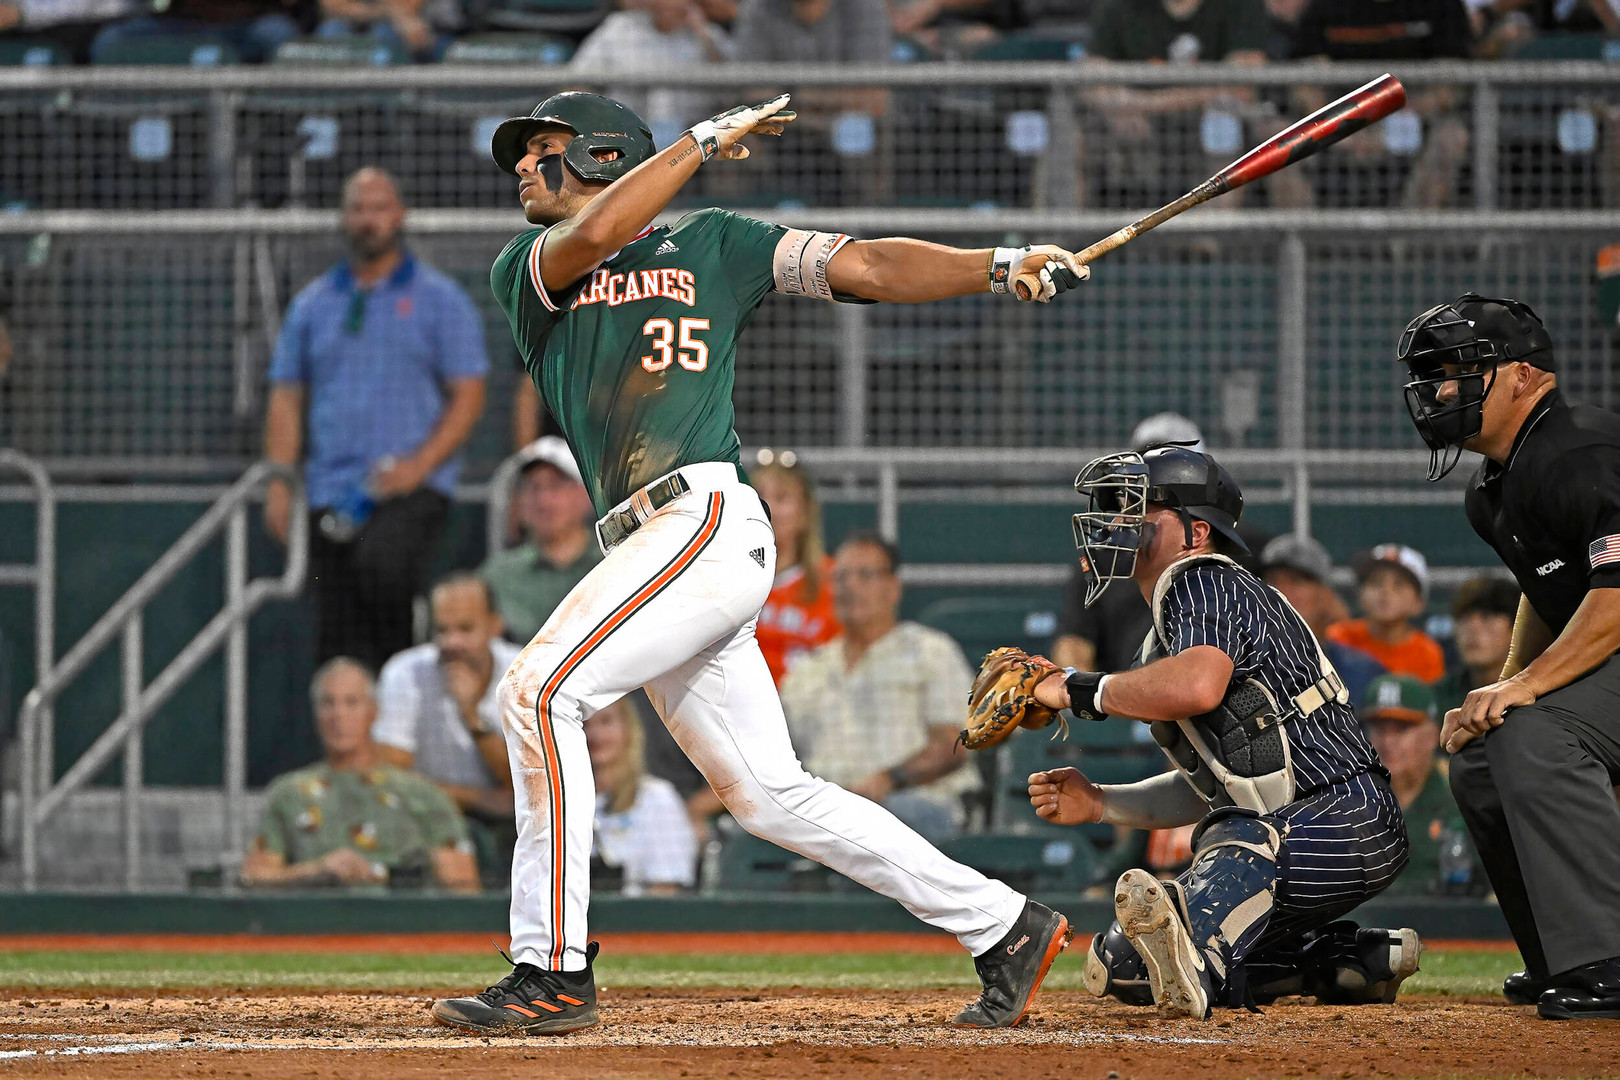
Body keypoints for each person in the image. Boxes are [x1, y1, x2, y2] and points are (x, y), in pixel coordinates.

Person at [430, 91, 1086, 1036]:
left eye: (544, 150)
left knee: (537, 695)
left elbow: (862, 263)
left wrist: (998, 264)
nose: (523, 170)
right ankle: (1005, 924)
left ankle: (554, 970)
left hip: (699, 517)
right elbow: (600, 233)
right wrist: (699, 143)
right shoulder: (527, 268)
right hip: (647, 542)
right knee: (769, 796)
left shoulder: (718, 242)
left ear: (606, 152)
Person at [1022, 445, 1418, 1018]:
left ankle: (1200, 964)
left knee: (1232, 839)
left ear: (1195, 531)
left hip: (1345, 815)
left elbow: (1200, 686)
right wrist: (1102, 803)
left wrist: (1080, 688)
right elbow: (1209, 785)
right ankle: (1348, 960)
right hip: (1297, 832)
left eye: (1141, 509)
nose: (1117, 524)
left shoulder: (1205, 580)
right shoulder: (1163, 638)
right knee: (1123, 965)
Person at [1398, 292, 1620, 1020]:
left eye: (1461, 371)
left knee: (1536, 729)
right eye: (1435, 376)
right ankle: (1566, 955)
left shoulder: (1578, 448)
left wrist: (1525, 689)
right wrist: (1497, 690)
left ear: (1526, 376)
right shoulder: (1493, 486)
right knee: (1485, 750)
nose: (1442, 391)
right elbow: (1548, 595)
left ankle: (1611, 960)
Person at [264, 167, 489, 675]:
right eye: (358, 209)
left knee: (381, 572)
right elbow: (286, 395)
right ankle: (350, 744)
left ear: (400, 215)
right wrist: (279, 483)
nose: (369, 220)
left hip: (410, 491)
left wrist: (420, 464)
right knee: (334, 630)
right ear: (344, 218)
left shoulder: (440, 300)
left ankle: (400, 708)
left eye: (379, 208)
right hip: (329, 490)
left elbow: (469, 392)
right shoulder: (312, 305)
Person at [779, 533, 981, 843]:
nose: (850, 586)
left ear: (893, 588)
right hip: (825, 818)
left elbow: (956, 743)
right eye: (841, 577)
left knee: (887, 818)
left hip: (916, 804)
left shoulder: (929, 651)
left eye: (866, 575)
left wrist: (889, 779)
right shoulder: (807, 671)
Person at [241, 657, 479, 892]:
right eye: (328, 703)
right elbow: (254, 876)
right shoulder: (290, 794)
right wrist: (317, 871)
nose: (339, 716)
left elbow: (464, 888)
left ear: (373, 711)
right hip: (315, 922)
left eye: (351, 703)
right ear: (315, 713)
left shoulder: (422, 795)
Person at [1291, 0, 1474, 208]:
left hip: (1414, 119)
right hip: (1339, 124)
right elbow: (1305, 84)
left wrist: (1399, 121)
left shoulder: (1442, 6)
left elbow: (1450, 84)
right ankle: (1307, 239)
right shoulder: (1324, 7)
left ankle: (1411, 236)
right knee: (1281, 142)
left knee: (1452, 138)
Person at [374, 573, 521, 822]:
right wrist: (481, 799)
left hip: (512, 823)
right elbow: (392, 776)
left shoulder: (524, 672)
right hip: (425, 816)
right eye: (442, 630)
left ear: (495, 626)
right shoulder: (405, 672)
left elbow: (527, 783)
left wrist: (471, 714)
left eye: (465, 629)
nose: (452, 642)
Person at [478, 437, 601, 646]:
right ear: (518, 502)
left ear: (584, 494)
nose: (543, 500)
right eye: (533, 487)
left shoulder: (615, 559)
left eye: (556, 486)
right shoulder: (496, 576)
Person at [1362, 673, 1474, 898]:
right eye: (1379, 729)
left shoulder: (1461, 797)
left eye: (1401, 729)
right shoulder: (1346, 800)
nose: (1387, 742)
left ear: (1433, 734)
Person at [586, 697, 698, 896]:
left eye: (606, 722)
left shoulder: (657, 798)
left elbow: (665, 888)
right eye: (584, 724)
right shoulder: (557, 802)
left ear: (628, 729)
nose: (595, 735)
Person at [1259, 534, 1386, 705]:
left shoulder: (1361, 672)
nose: (1282, 591)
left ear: (1326, 594)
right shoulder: (1239, 665)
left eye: (1296, 581)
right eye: (1273, 581)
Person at [570, 0, 735, 132]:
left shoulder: (707, 34)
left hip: (695, 139)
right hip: (624, 133)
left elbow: (737, 87)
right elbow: (577, 80)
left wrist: (702, 33)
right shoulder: (620, 27)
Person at [751, 452, 839, 686]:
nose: (768, 508)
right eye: (760, 497)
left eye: (781, 498)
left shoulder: (835, 581)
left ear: (804, 513)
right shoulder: (721, 575)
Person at [1327, 544, 1446, 683]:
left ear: (1418, 602)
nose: (1385, 591)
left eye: (1398, 584)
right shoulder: (1338, 637)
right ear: (1360, 594)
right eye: (1375, 582)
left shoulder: (1427, 653)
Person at [1435, 575, 1520, 714]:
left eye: (1487, 617)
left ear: (1516, 628)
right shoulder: (1440, 696)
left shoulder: (1537, 693)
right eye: (1464, 618)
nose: (1472, 628)